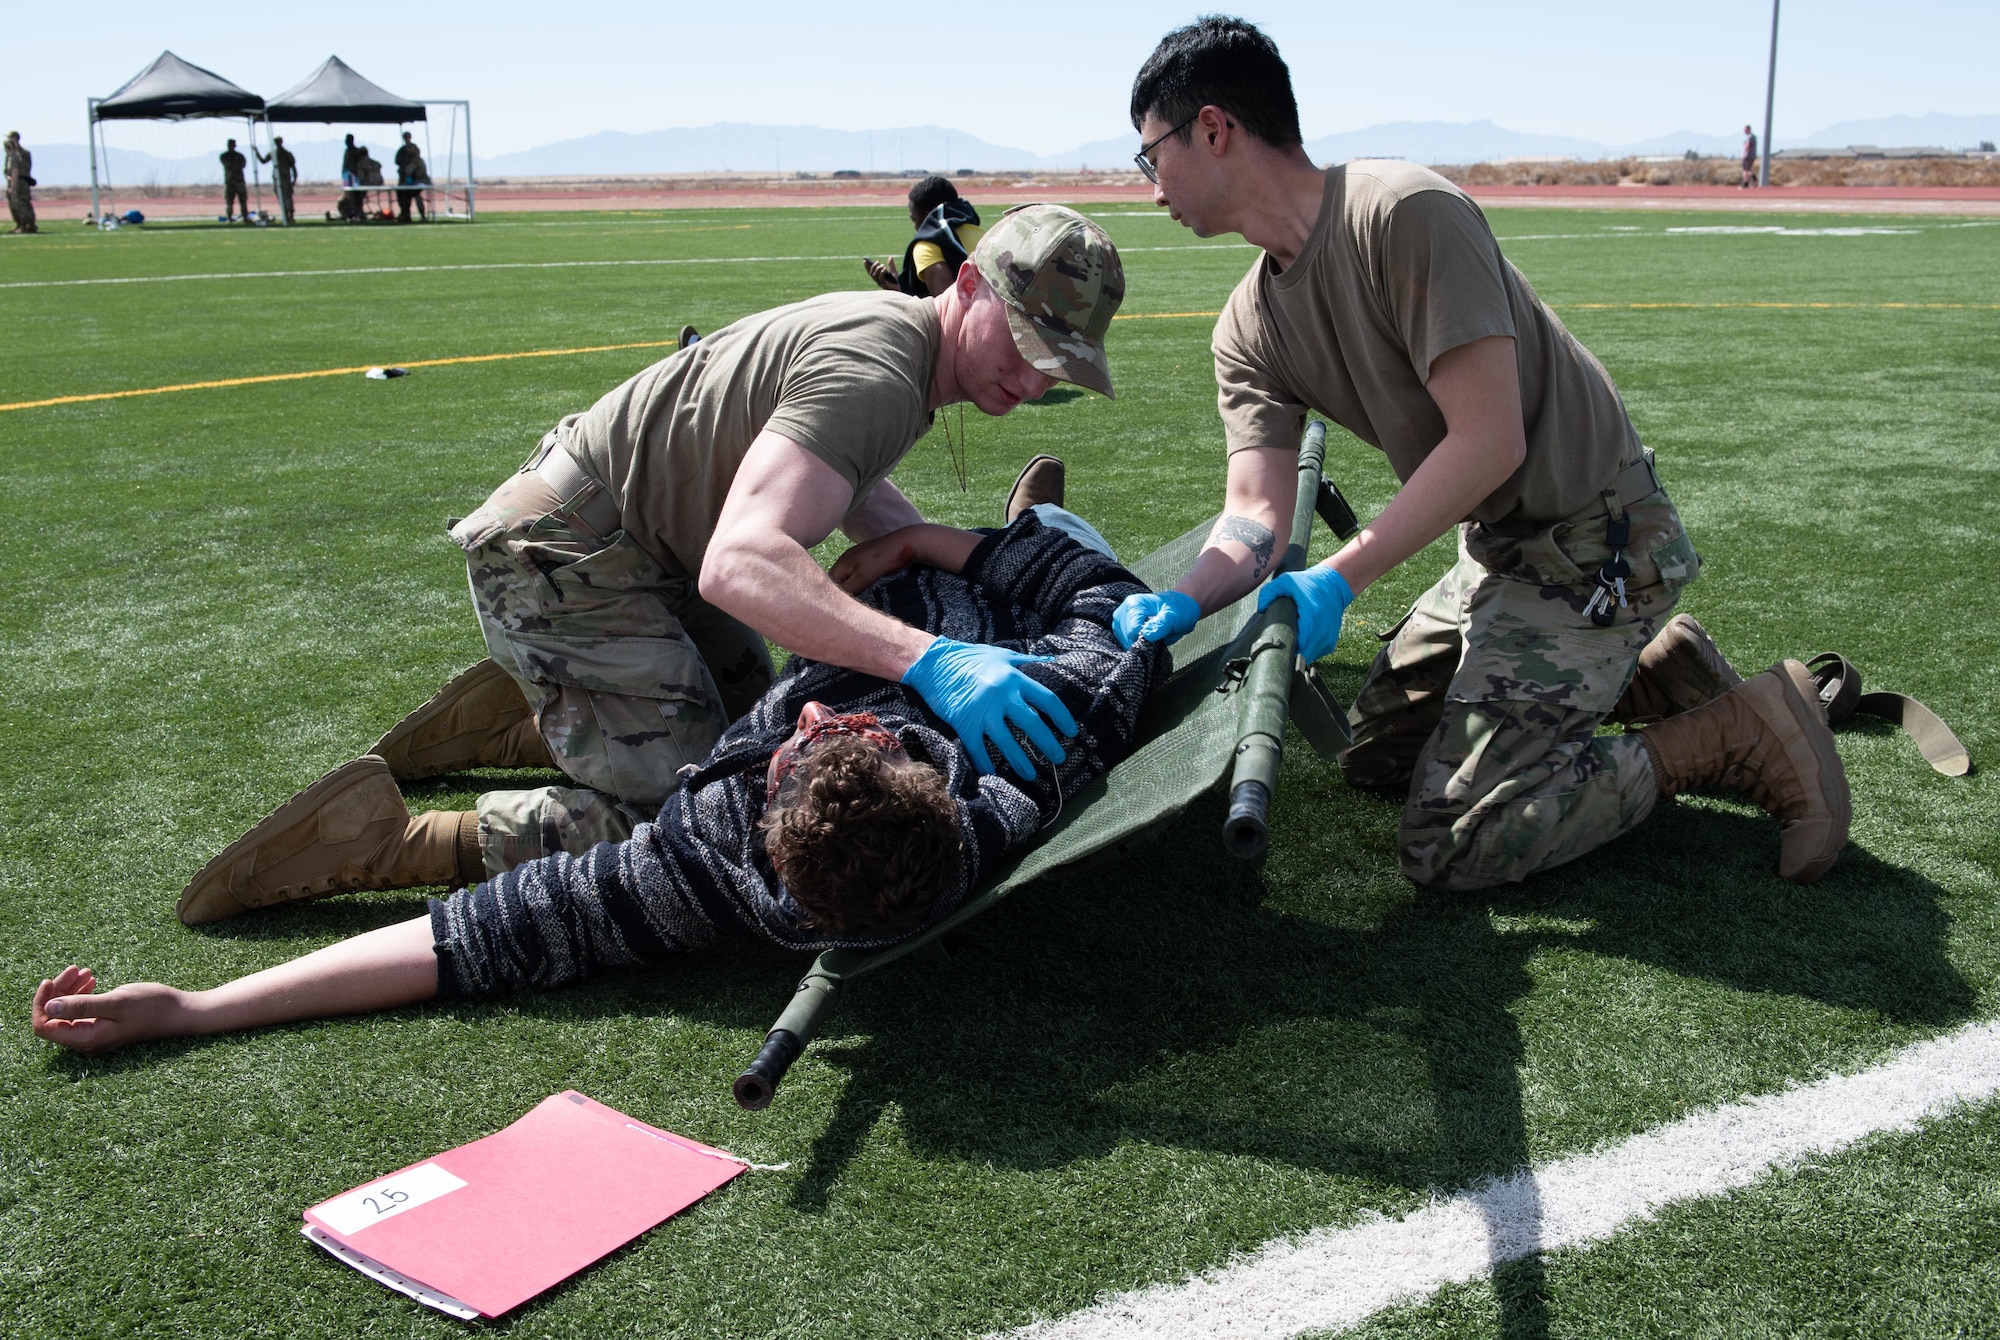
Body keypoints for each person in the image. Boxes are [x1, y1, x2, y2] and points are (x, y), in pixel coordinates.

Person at [175, 204, 1124, 920]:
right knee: (688, 816)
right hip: (568, 566)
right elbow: (742, 567)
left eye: (1060, 365)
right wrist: (931, 659)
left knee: (751, 732)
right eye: (1029, 342)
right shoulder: (878, 371)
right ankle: (389, 838)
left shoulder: (899, 348)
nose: (1035, 378)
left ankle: (529, 714)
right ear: (964, 288)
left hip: (618, 553)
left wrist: (923, 557)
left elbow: (839, 483)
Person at [1116, 17, 1848, 891]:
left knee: (1455, 837)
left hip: (1591, 541)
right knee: (1374, 754)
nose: (1151, 188)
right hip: (1495, 549)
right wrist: (1185, 601)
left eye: (1148, 156)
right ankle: (1656, 670)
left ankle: (1739, 729)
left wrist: (1338, 579)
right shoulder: (1246, 326)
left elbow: (1489, 440)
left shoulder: (1402, 213)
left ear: (1212, 129)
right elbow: (1257, 515)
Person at [36, 502, 1168, 1052]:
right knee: (1053, 527)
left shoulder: (714, 853)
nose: (813, 710)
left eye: (801, 732)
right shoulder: (1038, 735)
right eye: (828, 724)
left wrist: (201, 1006)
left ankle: (547, 724)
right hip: (956, 603)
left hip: (850, 640)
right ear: (907, 755)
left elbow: (474, 939)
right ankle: (548, 718)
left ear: (764, 805)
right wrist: (930, 545)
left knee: (684, 723)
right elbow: (1105, 600)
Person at [864, 175, 984, 297]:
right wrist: (899, 287)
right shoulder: (982, 234)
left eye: (913, 219)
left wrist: (901, 294)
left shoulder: (926, 247)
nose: (915, 227)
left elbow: (948, 307)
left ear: (927, 217)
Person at [257, 136, 298, 225]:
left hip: (285, 178)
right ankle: (287, 216)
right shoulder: (274, 153)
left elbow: (293, 167)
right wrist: (256, 152)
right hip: (278, 179)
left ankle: (290, 215)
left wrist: (294, 178)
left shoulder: (286, 154)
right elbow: (263, 161)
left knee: (287, 198)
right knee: (282, 198)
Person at [4, 132, 35, 235]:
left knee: (23, 203)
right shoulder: (9, 155)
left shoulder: (23, 153)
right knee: (14, 205)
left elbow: (24, 169)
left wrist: (15, 178)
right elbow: (6, 169)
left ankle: (28, 224)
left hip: (21, 182)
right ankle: (19, 224)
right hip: (12, 181)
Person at [395, 131, 429, 223]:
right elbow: (398, 161)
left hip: (418, 181)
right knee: (403, 195)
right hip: (408, 180)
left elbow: (409, 171)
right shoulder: (402, 151)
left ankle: (420, 215)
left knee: (414, 195)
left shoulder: (416, 159)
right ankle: (405, 214)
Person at [220, 138, 251, 224]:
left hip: (239, 181)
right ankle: (229, 217)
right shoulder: (224, 156)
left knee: (243, 201)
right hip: (230, 182)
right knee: (229, 202)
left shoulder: (239, 156)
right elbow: (228, 165)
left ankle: (245, 217)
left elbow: (243, 165)